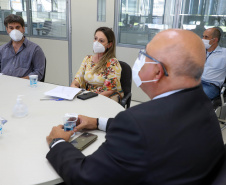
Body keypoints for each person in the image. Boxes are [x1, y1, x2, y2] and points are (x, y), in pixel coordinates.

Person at [46, 29, 225, 185]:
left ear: (157, 71)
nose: (139, 61)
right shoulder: (201, 101)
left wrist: (58, 142)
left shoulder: (135, 123)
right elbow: (154, 128)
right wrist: (98, 122)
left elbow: (85, 177)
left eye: (144, 56)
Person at [70, 27, 123, 102]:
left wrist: (91, 99)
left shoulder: (113, 63)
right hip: (88, 95)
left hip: (105, 97)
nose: (96, 42)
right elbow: (78, 79)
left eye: (101, 41)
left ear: (109, 44)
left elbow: (109, 90)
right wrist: (74, 86)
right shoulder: (87, 59)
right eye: (95, 38)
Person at [0, 14, 45, 81]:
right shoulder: (2, 49)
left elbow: (39, 73)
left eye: (17, 27)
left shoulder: (35, 49)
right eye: (11, 28)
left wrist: (20, 81)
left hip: (24, 86)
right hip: (4, 85)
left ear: (23, 29)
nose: (14, 31)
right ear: (7, 30)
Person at [201, 27, 226, 99]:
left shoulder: (224, 53)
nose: (203, 39)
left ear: (215, 40)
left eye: (206, 37)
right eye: (203, 36)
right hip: (196, 83)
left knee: (195, 98)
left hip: (210, 86)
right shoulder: (200, 51)